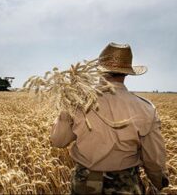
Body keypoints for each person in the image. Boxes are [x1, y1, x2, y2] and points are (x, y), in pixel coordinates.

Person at [50, 42, 169, 194]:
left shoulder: (77, 103)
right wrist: (159, 182)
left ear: (99, 70)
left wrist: (66, 108)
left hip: (84, 183)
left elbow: (58, 141)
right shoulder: (145, 108)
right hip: (126, 184)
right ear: (126, 73)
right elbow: (154, 158)